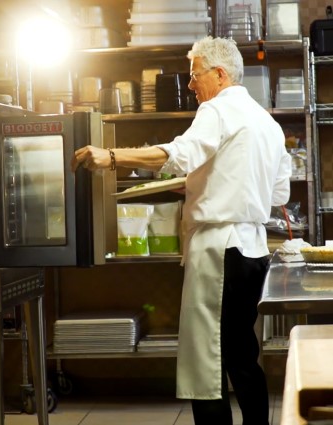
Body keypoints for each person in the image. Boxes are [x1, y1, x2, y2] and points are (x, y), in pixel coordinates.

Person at [71, 36, 291, 425]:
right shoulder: (268, 124)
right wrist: (200, 182)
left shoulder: (218, 109)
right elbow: (278, 193)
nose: (190, 86)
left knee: (203, 359)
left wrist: (112, 157)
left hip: (217, 249)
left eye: (195, 75)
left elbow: (181, 152)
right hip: (253, 252)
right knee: (241, 352)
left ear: (220, 74)